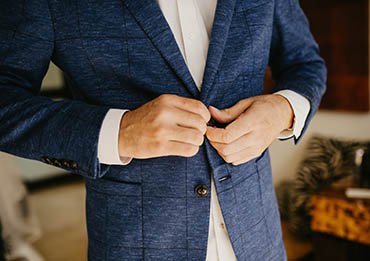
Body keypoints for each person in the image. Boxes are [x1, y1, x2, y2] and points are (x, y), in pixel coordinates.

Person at [0, 0, 326, 260]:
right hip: (136, 244)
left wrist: (284, 111)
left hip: (259, 239)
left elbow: (304, 63)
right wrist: (119, 131)